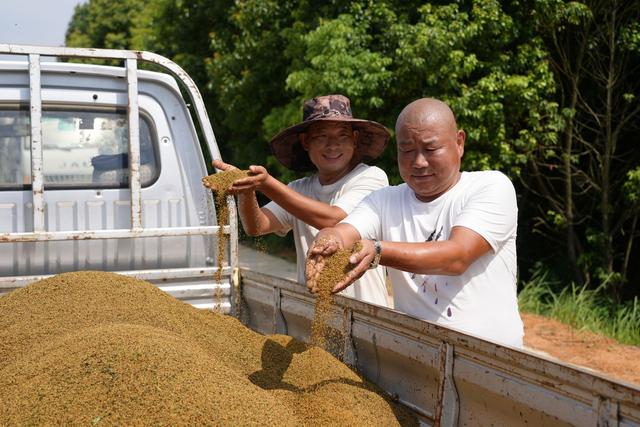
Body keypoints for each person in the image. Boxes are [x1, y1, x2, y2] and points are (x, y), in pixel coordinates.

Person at [306, 97, 524, 347]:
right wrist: (329, 240)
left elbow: (457, 256)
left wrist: (377, 251)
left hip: (493, 359)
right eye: (407, 151)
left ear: (459, 143)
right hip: (416, 356)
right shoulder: (384, 200)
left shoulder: (490, 187)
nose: (419, 162)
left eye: (431, 149)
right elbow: (345, 231)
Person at [212, 94, 391, 307]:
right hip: (310, 313)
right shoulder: (299, 189)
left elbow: (334, 221)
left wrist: (267, 184)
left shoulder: (371, 178)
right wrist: (245, 189)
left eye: (342, 136)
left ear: (354, 138)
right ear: (306, 142)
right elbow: (256, 226)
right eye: (322, 137)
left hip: (366, 315)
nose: (332, 145)